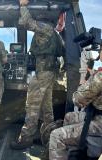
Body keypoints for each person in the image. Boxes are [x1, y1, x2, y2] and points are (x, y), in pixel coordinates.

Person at [10, 0, 64, 150]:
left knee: (32, 105)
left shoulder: (44, 28)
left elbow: (26, 22)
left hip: (43, 72)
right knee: (47, 107)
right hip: (50, 72)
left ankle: (26, 138)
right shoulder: (55, 34)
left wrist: (23, 6)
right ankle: (48, 138)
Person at [49, 43, 102, 160]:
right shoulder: (101, 74)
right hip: (99, 118)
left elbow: (78, 100)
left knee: (56, 136)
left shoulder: (101, 76)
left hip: (101, 125)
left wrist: (87, 81)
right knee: (69, 116)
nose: (100, 51)